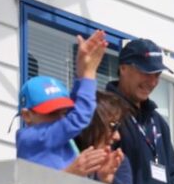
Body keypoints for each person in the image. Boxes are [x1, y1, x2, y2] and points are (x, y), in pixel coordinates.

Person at [16, 30, 107, 170]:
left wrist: (82, 70)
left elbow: (74, 112)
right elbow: (77, 119)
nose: (60, 118)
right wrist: (89, 74)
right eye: (51, 112)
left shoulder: (55, 136)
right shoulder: (31, 138)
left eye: (62, 111)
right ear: (27, 115)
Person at [107, 38, 174, 184]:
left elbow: (173, 178)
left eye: (157, 75)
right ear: (123, 68)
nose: (153, 82)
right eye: (146, 73)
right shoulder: (105, 111)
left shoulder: (159, 123)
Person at [65, 91, 132, 184]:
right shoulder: (61, 154)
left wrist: (105, 181)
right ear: (90, 124)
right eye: (113, 126)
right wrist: (71, 173)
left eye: (119, 128)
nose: (117, 136)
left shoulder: (118, 164)